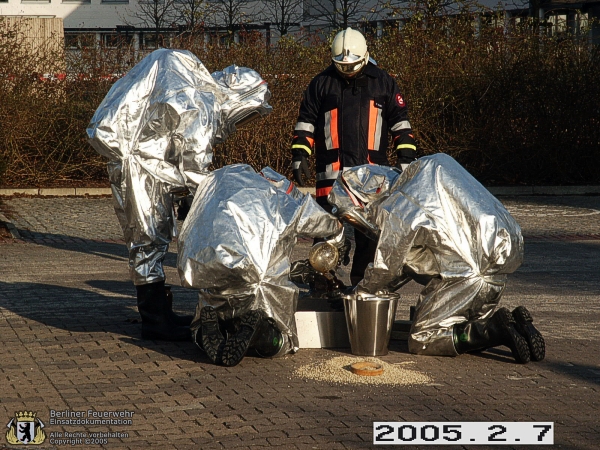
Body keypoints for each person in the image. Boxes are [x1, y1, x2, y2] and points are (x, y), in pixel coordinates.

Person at [87, 49, 272, 341]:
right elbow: (194, 158)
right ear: (239, 97)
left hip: (144, 163)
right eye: (246, 113)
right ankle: (155, 321)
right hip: (140, 165)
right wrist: (214, 198)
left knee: (151, 236)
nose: (241, 123)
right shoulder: (204, 99)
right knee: (147, 238)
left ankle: (159, 313)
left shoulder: (195, 86)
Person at [327, 154, 546, 364]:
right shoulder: (420, 183)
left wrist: (359, 293)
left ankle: (495, 330)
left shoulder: (398, 207)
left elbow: (388, 267)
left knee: (424, 338)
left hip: (464, 278)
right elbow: (407, 264)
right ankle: (519, 325)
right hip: (495, 276)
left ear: (360, 199)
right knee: (461, 333)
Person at [176, 165, 348, 366]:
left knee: (204, 317)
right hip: (259, 282)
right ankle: (262, 332)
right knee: (285, 339)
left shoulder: (219, 183)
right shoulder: (280, 195)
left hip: (211, 274)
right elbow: (317, 220)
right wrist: (337, 236)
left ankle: (205, 330)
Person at [291, 27, 418, 286]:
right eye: (341, 66)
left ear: (365, 57)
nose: (347, 71)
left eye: (352, 66)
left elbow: (401, 125)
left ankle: (363, 285)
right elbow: (306, 123)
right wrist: (299, 154)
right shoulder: (321, 83)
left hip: (371, 181)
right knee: (325, 232)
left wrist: (406, 159)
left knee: (370, 237)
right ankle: (323, 283)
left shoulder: (382, 82)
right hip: (331, 176)